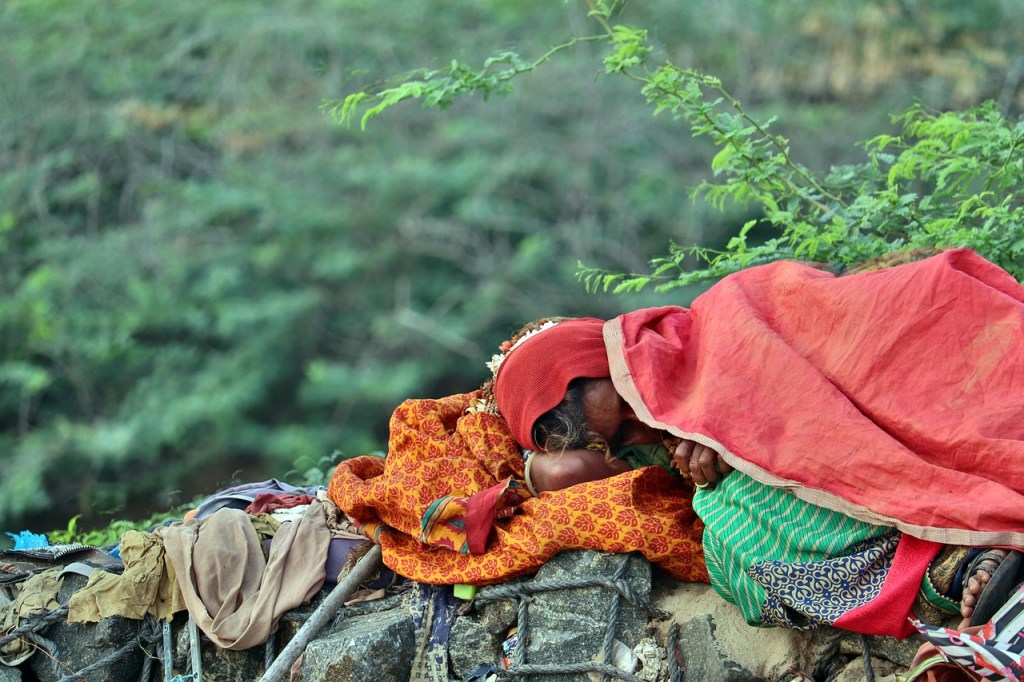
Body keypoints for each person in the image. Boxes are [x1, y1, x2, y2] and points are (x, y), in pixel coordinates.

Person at [487, 248, 1024, 638]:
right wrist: (714, 443)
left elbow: (815, 335)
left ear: (613, 355)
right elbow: (562, 475)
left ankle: (976, 539)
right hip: (807, 482)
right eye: (624, 436)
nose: (643, 423)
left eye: (628, 397)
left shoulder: (729, 310)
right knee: (731, 528)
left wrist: (733, 420)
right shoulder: (665, 458)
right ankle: (949, 571)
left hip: (920, 370)